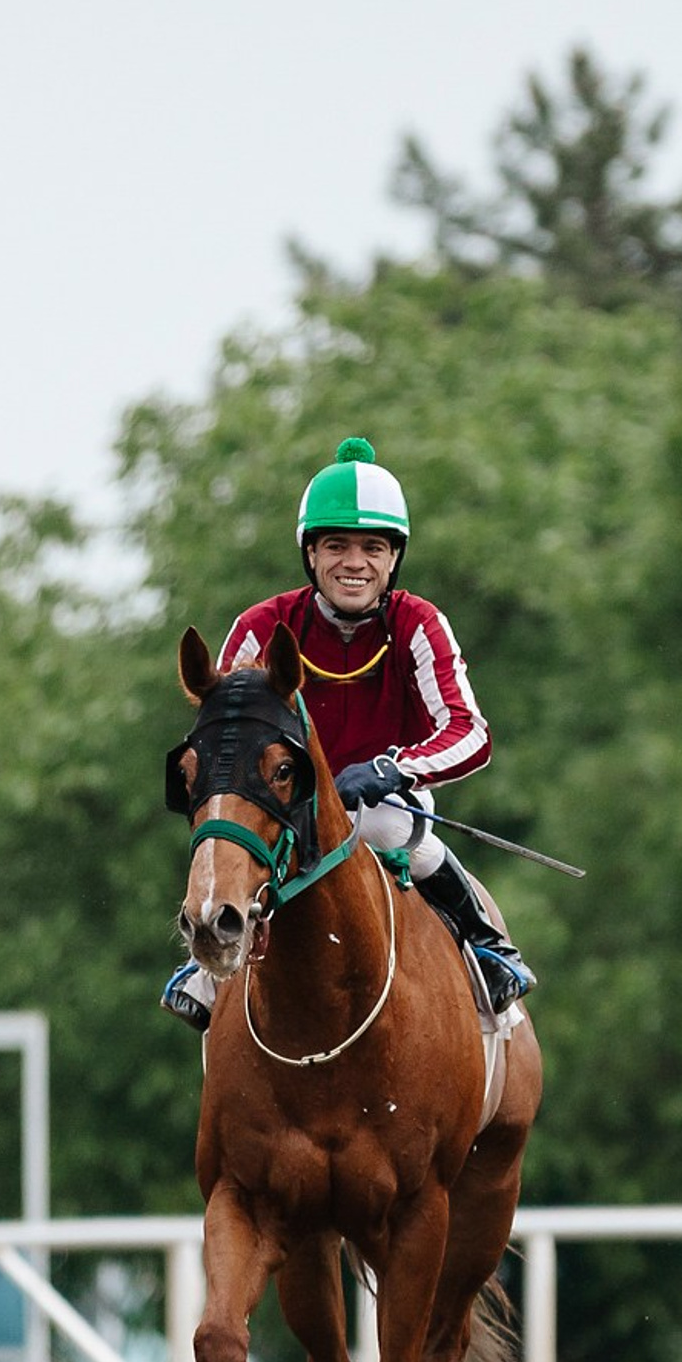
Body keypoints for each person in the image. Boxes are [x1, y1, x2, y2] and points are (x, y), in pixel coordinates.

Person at [162, 437, 535, 1028]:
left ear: (393, 560)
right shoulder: (262, 625)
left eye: (371, 547)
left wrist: (395, 768)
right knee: (231, 830)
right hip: (284, 805)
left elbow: (469, 732)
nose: (353, 562)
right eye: (336, 545)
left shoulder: (419, 622)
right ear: (311, 554)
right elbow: (223, 741)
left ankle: (486, 944)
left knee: (387, 824)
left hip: (385, 799)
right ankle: (207, 969)